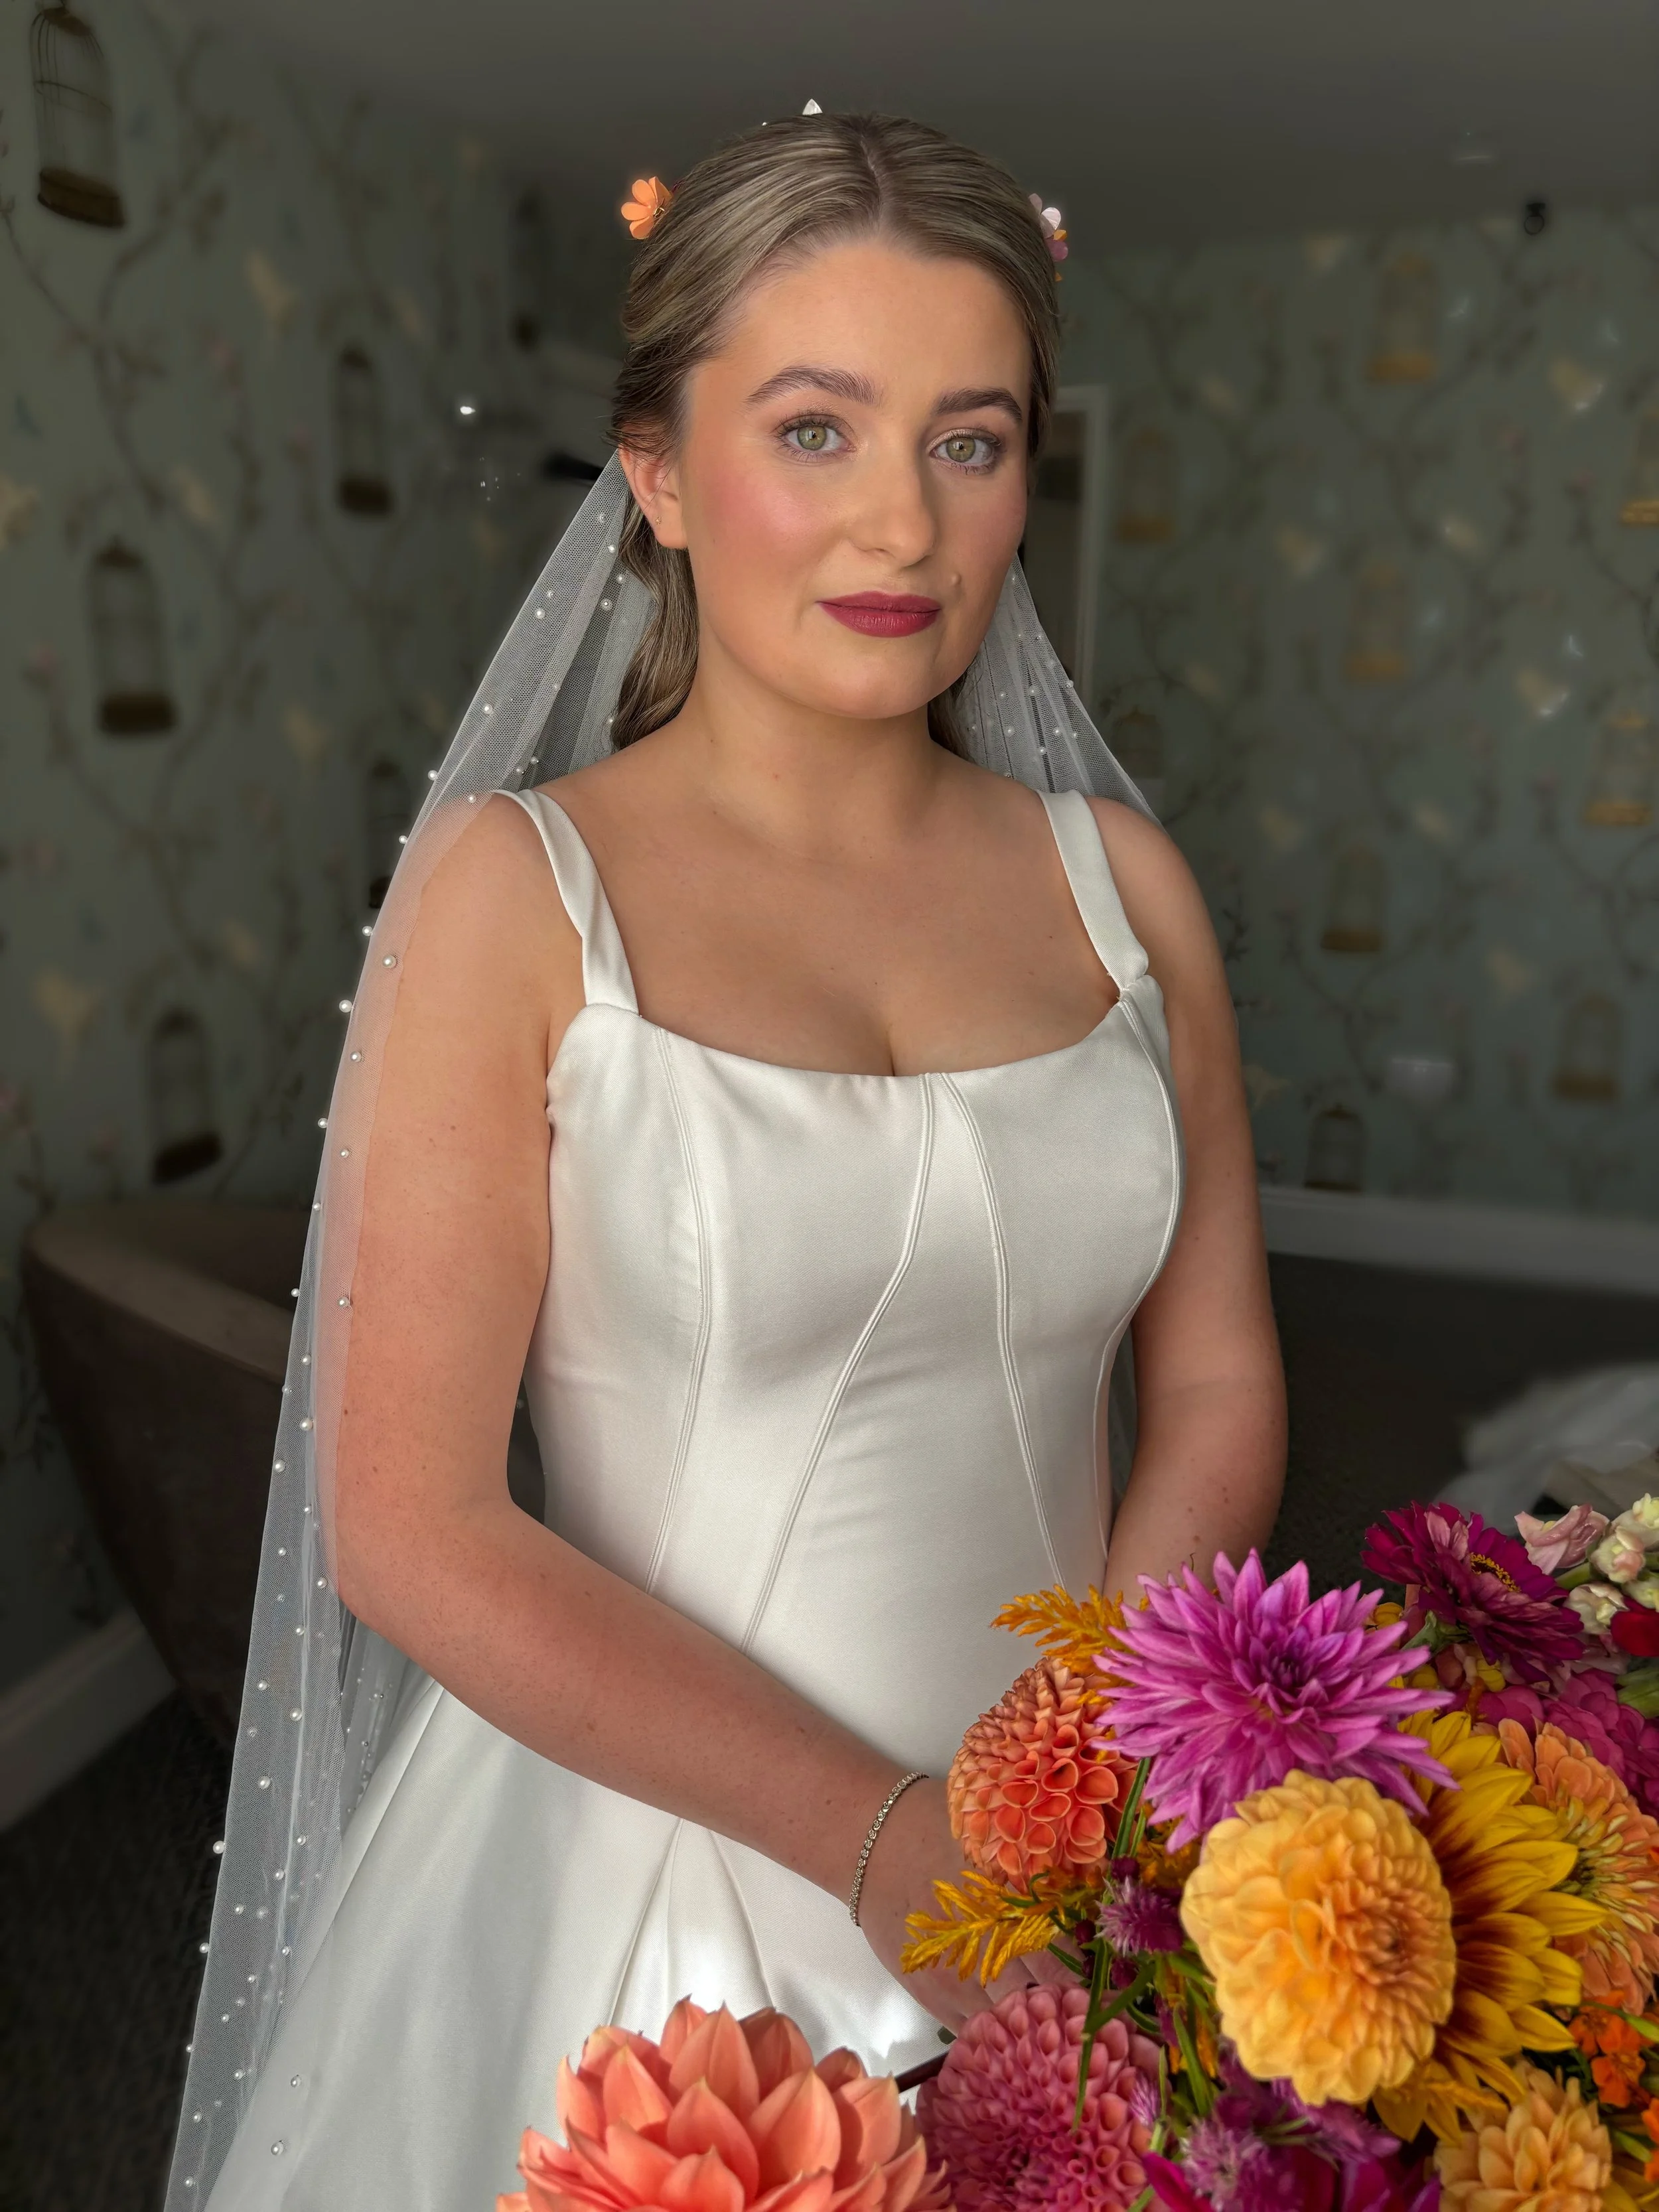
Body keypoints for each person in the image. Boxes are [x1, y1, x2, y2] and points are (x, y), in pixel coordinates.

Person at [179, 111, 1285, 2212]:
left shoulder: (1123, 885)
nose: (902, 519)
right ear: (661, 476)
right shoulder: (514, 893)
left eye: (970, 440)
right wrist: (884, 1840)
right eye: (813, 428)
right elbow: (409, 1524)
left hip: (1067, 1844)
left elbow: (1215, 1375)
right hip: (647, 1865)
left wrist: (1080, 1794)